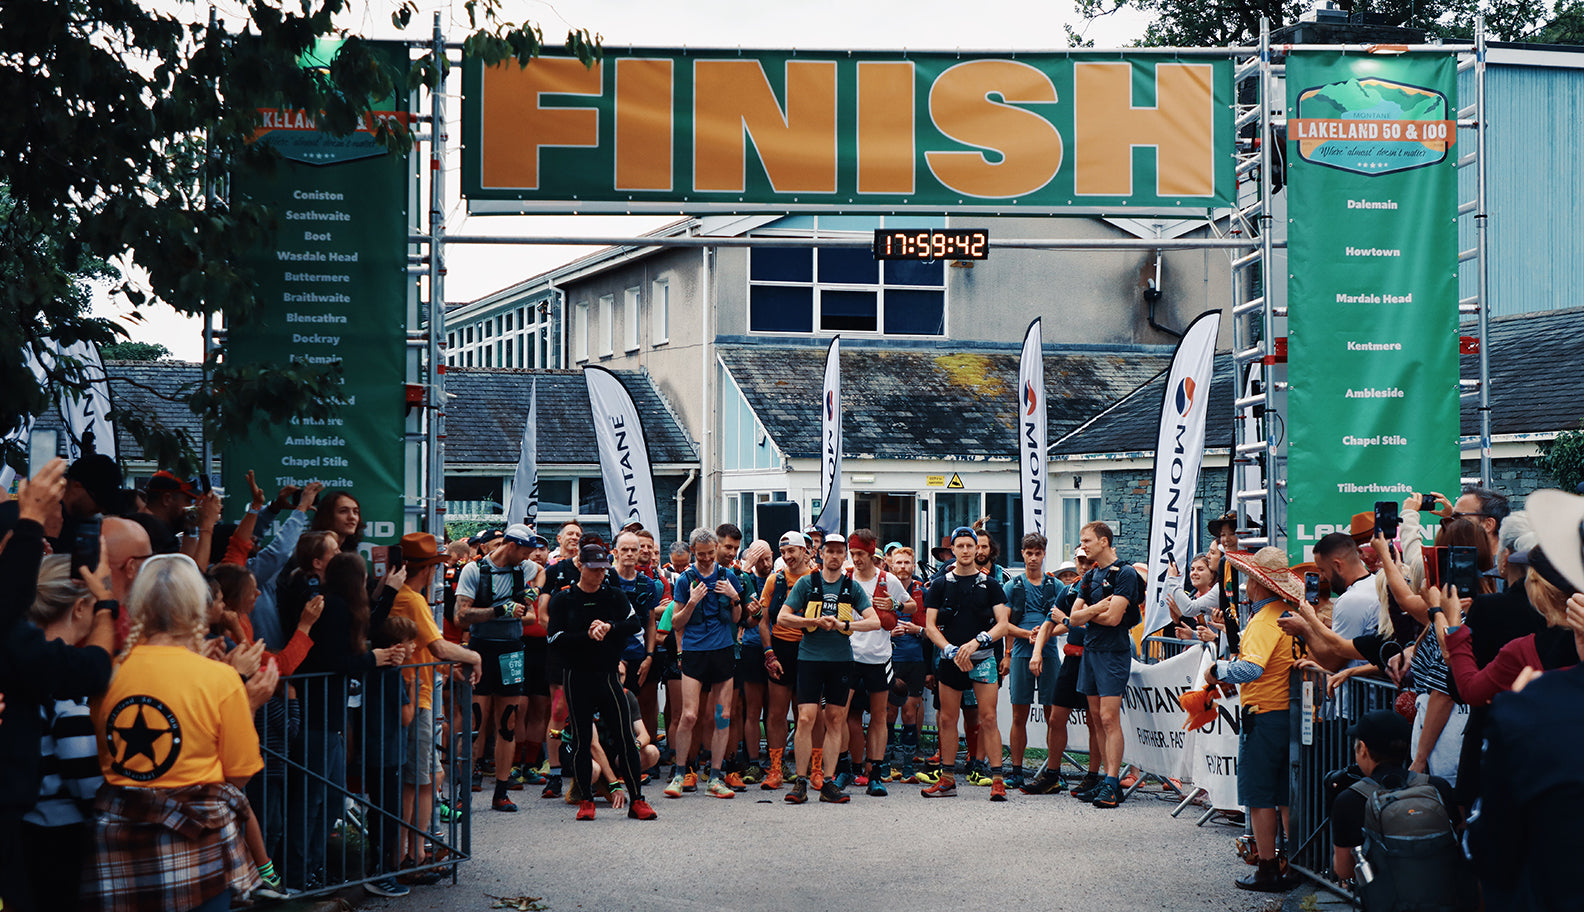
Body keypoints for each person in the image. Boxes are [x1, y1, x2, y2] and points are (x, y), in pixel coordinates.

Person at [84, 553, 279, 912]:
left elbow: (104, 752)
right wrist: (248, 703)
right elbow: (239, 774)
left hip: (119, 843)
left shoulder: (108, 673)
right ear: (196, 607)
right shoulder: (219, 678)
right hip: (196, 846)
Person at [1201, 547, 1301, 893]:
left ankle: (1268, 867)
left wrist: (1218, 670)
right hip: (1288, 711)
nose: (1245, 587)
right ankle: (1297, 863)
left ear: (1258, 585)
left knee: (1260, 796)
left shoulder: (1264, 620)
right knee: (1286, 795)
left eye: (1248, 581)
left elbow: (1252, 668)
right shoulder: (1291, 614)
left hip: (1264, 714)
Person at [385, 532, 482, 879]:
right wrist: (472, 655)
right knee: (417, 779)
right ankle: (408, 857)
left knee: (426, 777)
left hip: (421, 692)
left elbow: (430, 651)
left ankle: (417, 850)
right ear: (427, 569)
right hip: (417, 697)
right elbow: (439, 647)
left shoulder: (410, 597)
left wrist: (448, 669)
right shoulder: (411, 599)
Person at [547, 542, 658, 821]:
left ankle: (638, 800)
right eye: (594, 569)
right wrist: (587, 635)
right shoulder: (564, 599)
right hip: (576, 676)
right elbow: (554, 640)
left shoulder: (614, 595)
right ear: (580, 566)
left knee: (625, 738)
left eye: (603, 569)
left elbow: (635, 625)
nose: (599, 574)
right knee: (584, 740)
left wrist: (609, 628)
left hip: (608, 675)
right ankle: (587, 799)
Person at [777, 532, 881, 804]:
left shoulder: (851, 587)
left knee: (836, 719)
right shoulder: (807, 583)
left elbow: (874, 622)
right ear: (820, 554)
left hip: (841, 661)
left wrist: (846, 626)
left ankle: (829, 781)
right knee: (805, 718)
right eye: (829, 551)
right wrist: (810, 621)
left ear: (845, 555)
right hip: (810, 659)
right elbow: (782, 617)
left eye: (839, 551)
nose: (834, 556)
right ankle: (801, 781)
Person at [453, 524, 543, 812]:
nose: (531, 558)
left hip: (512, 650)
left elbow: (542, 575)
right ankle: (461, 791)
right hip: (481, 649)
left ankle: (501, 792)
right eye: (526, 551)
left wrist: (532, 595)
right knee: (475, 722)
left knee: (507, 724)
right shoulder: (474, 571)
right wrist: (499, 610)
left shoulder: (525, 568)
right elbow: (460, 617)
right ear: (512, 546)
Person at [922, 525, 1012, 801]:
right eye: (959, 546)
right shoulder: (940, 583)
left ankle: (997, 780)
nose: (964, 550)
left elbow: (1003, 624)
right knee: (948, 719)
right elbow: (930, 626)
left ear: (977, 549)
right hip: (951, 660)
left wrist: (977, 642)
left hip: (982, 659)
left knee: (988, 718)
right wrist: (949, 650)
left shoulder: (991, 584)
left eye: (969, 546)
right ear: (953, 549)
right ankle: (947, 779)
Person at [1330, 710, 1462, 897]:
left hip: (1387, 901)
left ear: (1363, 749)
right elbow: (1458, 843)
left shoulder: (1350, 799)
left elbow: (1344, 871)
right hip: (1443, 898)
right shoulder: (1437, 786)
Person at [662, 527, 743, 800]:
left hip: (722, 651)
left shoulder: (727, 575)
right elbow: (675, 623)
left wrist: (734, 597)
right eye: (702, 554)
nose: (707, 559)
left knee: (722, 716)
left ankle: (716, 777)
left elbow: (736, 618)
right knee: (689, 715)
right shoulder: (686, 579)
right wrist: (691, 603)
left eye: (711, 553)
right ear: (693, 552)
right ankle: (679, 772)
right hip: (695, 652)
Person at [1066, 521, 1143, 809]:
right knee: (1095, 717)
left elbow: (1114, 620)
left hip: (1114, 652)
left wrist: (1088, 613)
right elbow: (1073, 619)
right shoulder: (1090, 575)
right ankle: (1103, 778)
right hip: (1091, 650)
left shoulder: (1126, 574)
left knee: (1110, 718)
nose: (1082, 546)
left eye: (1087, 540)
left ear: (1104, 541)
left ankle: (1112, 782)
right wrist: (1096, 608)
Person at [1029, 549, 1095, 795]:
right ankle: (1053, 775)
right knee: (1056, 718)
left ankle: (1094, 776)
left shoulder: (1103, 586)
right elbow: (1050, 622)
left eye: (1089, 560)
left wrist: (1065, 620)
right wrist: (1036, 653)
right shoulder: (1069, 589)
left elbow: (1092, 624)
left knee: (1094, 722)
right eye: (1080, 560)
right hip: (1072, 658)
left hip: (1095, 659)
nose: (1085, 565)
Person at [843, 529, 905, 794]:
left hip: (879, 656)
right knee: (842, 714)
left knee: (879, 715)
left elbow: (911, 605)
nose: (856, 559)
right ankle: (848, 768)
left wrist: (894, 606)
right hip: (848, 655)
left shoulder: (887, 579)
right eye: (853, 553)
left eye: (860, 554)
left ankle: (875, 771)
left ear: (872, 554)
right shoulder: (845, 578)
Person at [1003, 532, 1064, 792]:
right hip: (1020, 653)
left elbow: (1067, 621)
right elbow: (1003, 624)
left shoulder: (1055, 586)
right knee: (1019, 715)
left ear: (1044, 554)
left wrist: (1044, 634)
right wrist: (1029, 635)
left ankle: (1053, 772)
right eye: (1029, 553)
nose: (1033, 558)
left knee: (1054, 716)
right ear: (1022, 554)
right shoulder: (1012, 585)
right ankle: (1016, 771)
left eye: (1038, 553)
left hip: (1049, 653)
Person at [758, 531, 814, 790]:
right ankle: (776, 768)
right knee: (776, 713)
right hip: (781, 648)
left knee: (809, 714)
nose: (787, 557)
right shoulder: (775, 580)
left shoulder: (817, 579)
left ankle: (814, 769)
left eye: (792, 551)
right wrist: (769, 652)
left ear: (805, 551)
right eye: (783, 553)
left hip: (810, 649)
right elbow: (763, 619)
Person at [883, 546, 928, 782]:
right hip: (889, 658)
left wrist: (917, 630)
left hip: (915, 660)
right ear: (891, 564)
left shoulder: (923, 591)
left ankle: (908, 766)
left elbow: (935, 629)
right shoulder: (883, 588)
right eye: (898, 562)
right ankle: (886, 765)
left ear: (913, 565)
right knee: (889, 712)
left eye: (906, 563)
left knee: (910, 713)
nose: (902, 567)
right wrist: (889, 633)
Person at [309, 489, 363, 554]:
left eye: (355, 512)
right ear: (327, 516)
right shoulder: (312, 550)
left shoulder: (349, 552)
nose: (352, 517)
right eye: (343, 511)